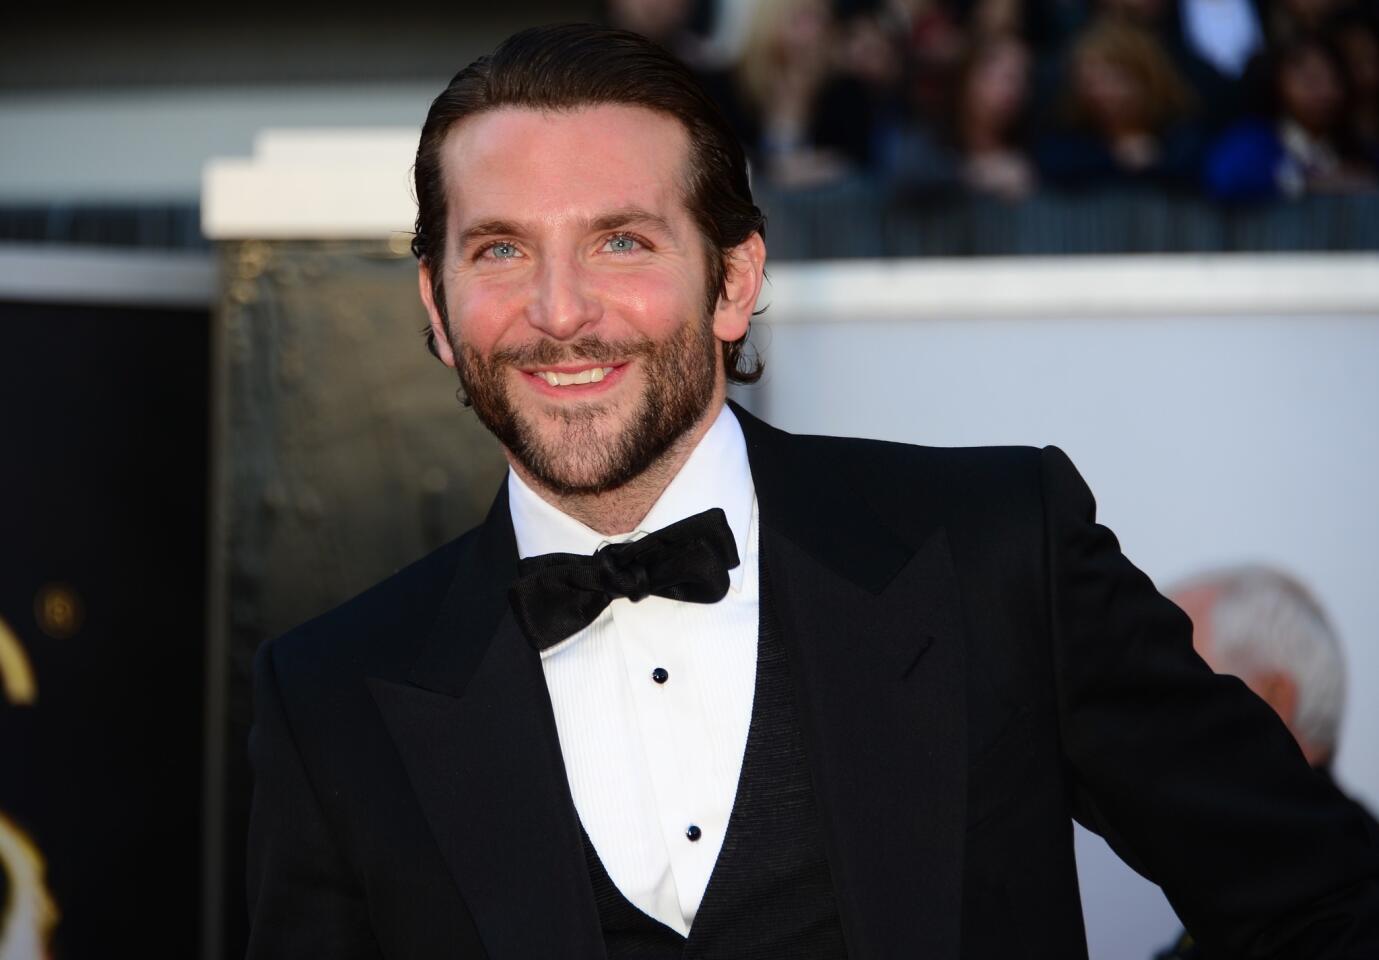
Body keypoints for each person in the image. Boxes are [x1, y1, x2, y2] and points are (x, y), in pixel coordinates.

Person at [244, 23, 1379, 959]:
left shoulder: (994, 555)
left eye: (621, 242)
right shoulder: (334, 692)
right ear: (437, 312)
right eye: (497, 252)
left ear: (733, 280)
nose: (559, 311)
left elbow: (1323, 898)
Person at [1152, 565, 1379, 959]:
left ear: (1273, 701)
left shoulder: (1334, 906)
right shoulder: (1273, 884)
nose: (1145, 721)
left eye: (1174, 686)